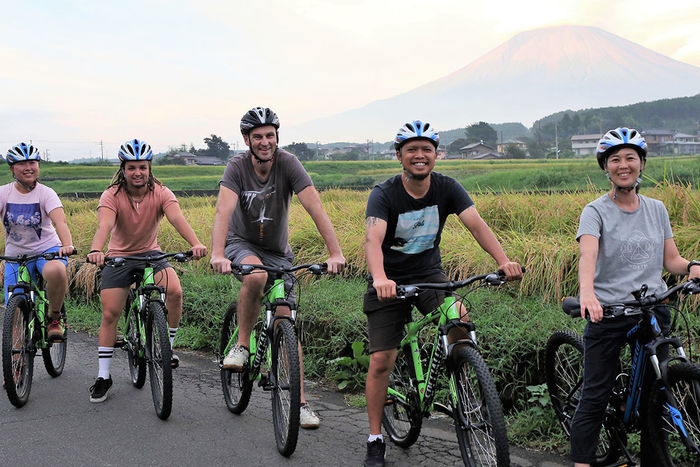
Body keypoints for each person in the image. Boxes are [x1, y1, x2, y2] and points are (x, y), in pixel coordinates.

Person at [362, 120, 522, 466]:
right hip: (388, 280)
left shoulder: (448, 188)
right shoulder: (385, 194)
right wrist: (379, 278)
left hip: (429, 276)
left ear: (437, 154)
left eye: (426, 150)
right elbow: (373, 240)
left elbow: (477, 224)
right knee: (381, 361)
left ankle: (462, 381)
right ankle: (376, 438)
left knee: (459, 315)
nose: (420, 156)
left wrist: (504, 261)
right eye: (411, 150)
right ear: (399, 156)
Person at [569, 127, 700, 466]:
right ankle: (582, 462)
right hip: (608, 311)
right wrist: (588, 296)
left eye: (630, 158)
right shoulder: (594, 211)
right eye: (615, 159)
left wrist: (692, 266)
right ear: (605, 167)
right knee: (595, 394)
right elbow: (588, 256)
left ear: (641, 163)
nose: (623, 165)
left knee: (657, 392)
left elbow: (670, 259)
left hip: (654, 308)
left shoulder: (656, 209)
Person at [210, 106, 346, 429]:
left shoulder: (289, 164)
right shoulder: (236, 167)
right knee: (255, 275)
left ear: (277, 137)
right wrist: (217, 252)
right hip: (241, 244)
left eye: (269, 135)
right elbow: (222, 211)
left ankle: (299, 404)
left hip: (279, 253)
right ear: (247, 139)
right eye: (257, 136)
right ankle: (243, 345)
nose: (264, 142)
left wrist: (335, 252)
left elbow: (315, 206)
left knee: (285, 319)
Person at [86, 139, 207, 403]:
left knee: (174, 291)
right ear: (123, 169)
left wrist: (195, 243)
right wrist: (97, 250)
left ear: (149, 167)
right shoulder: (112, 195)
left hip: (152, 254)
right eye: (132, 168)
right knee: (110, 313)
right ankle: (103, 376)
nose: (138, 172)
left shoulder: (162, 192)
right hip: (119, 257)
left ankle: (167, 349)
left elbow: (177, 219)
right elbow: (104, 226)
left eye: (143, 167)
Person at [1, 142, 74, 339]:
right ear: (11, 168)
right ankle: (17, 361)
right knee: (14, 313)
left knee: (56, 270)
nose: (28, 168)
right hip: (16, 255)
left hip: (46, 250)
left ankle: (54, 317)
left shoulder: (46, 193)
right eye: (22, 163)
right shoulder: (3, 193)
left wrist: (67, 244)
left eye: (32, 162)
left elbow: (60, 221)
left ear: (38, 166)